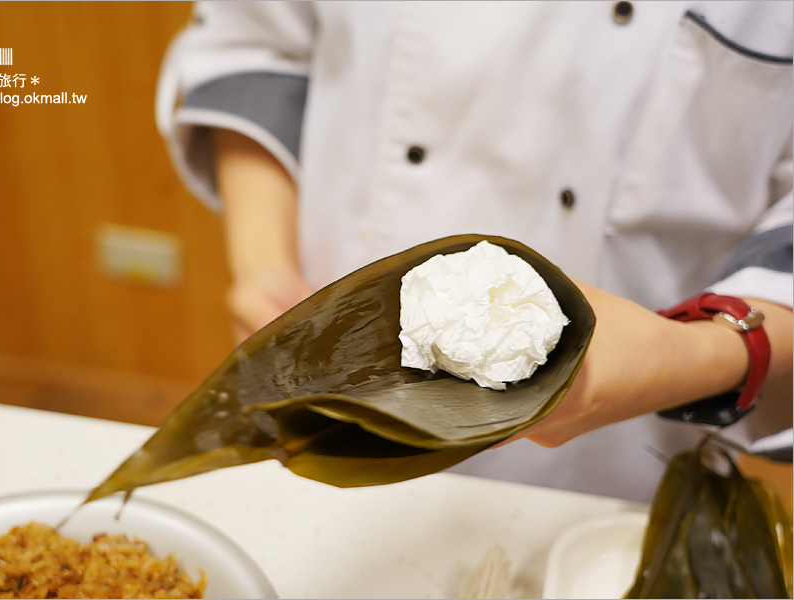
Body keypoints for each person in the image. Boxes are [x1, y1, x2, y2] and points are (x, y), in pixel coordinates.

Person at [154, 1, 793, 502]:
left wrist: (697, 351)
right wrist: (265, 267)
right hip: (347, 377)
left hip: (631, 440)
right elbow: (255, 40)